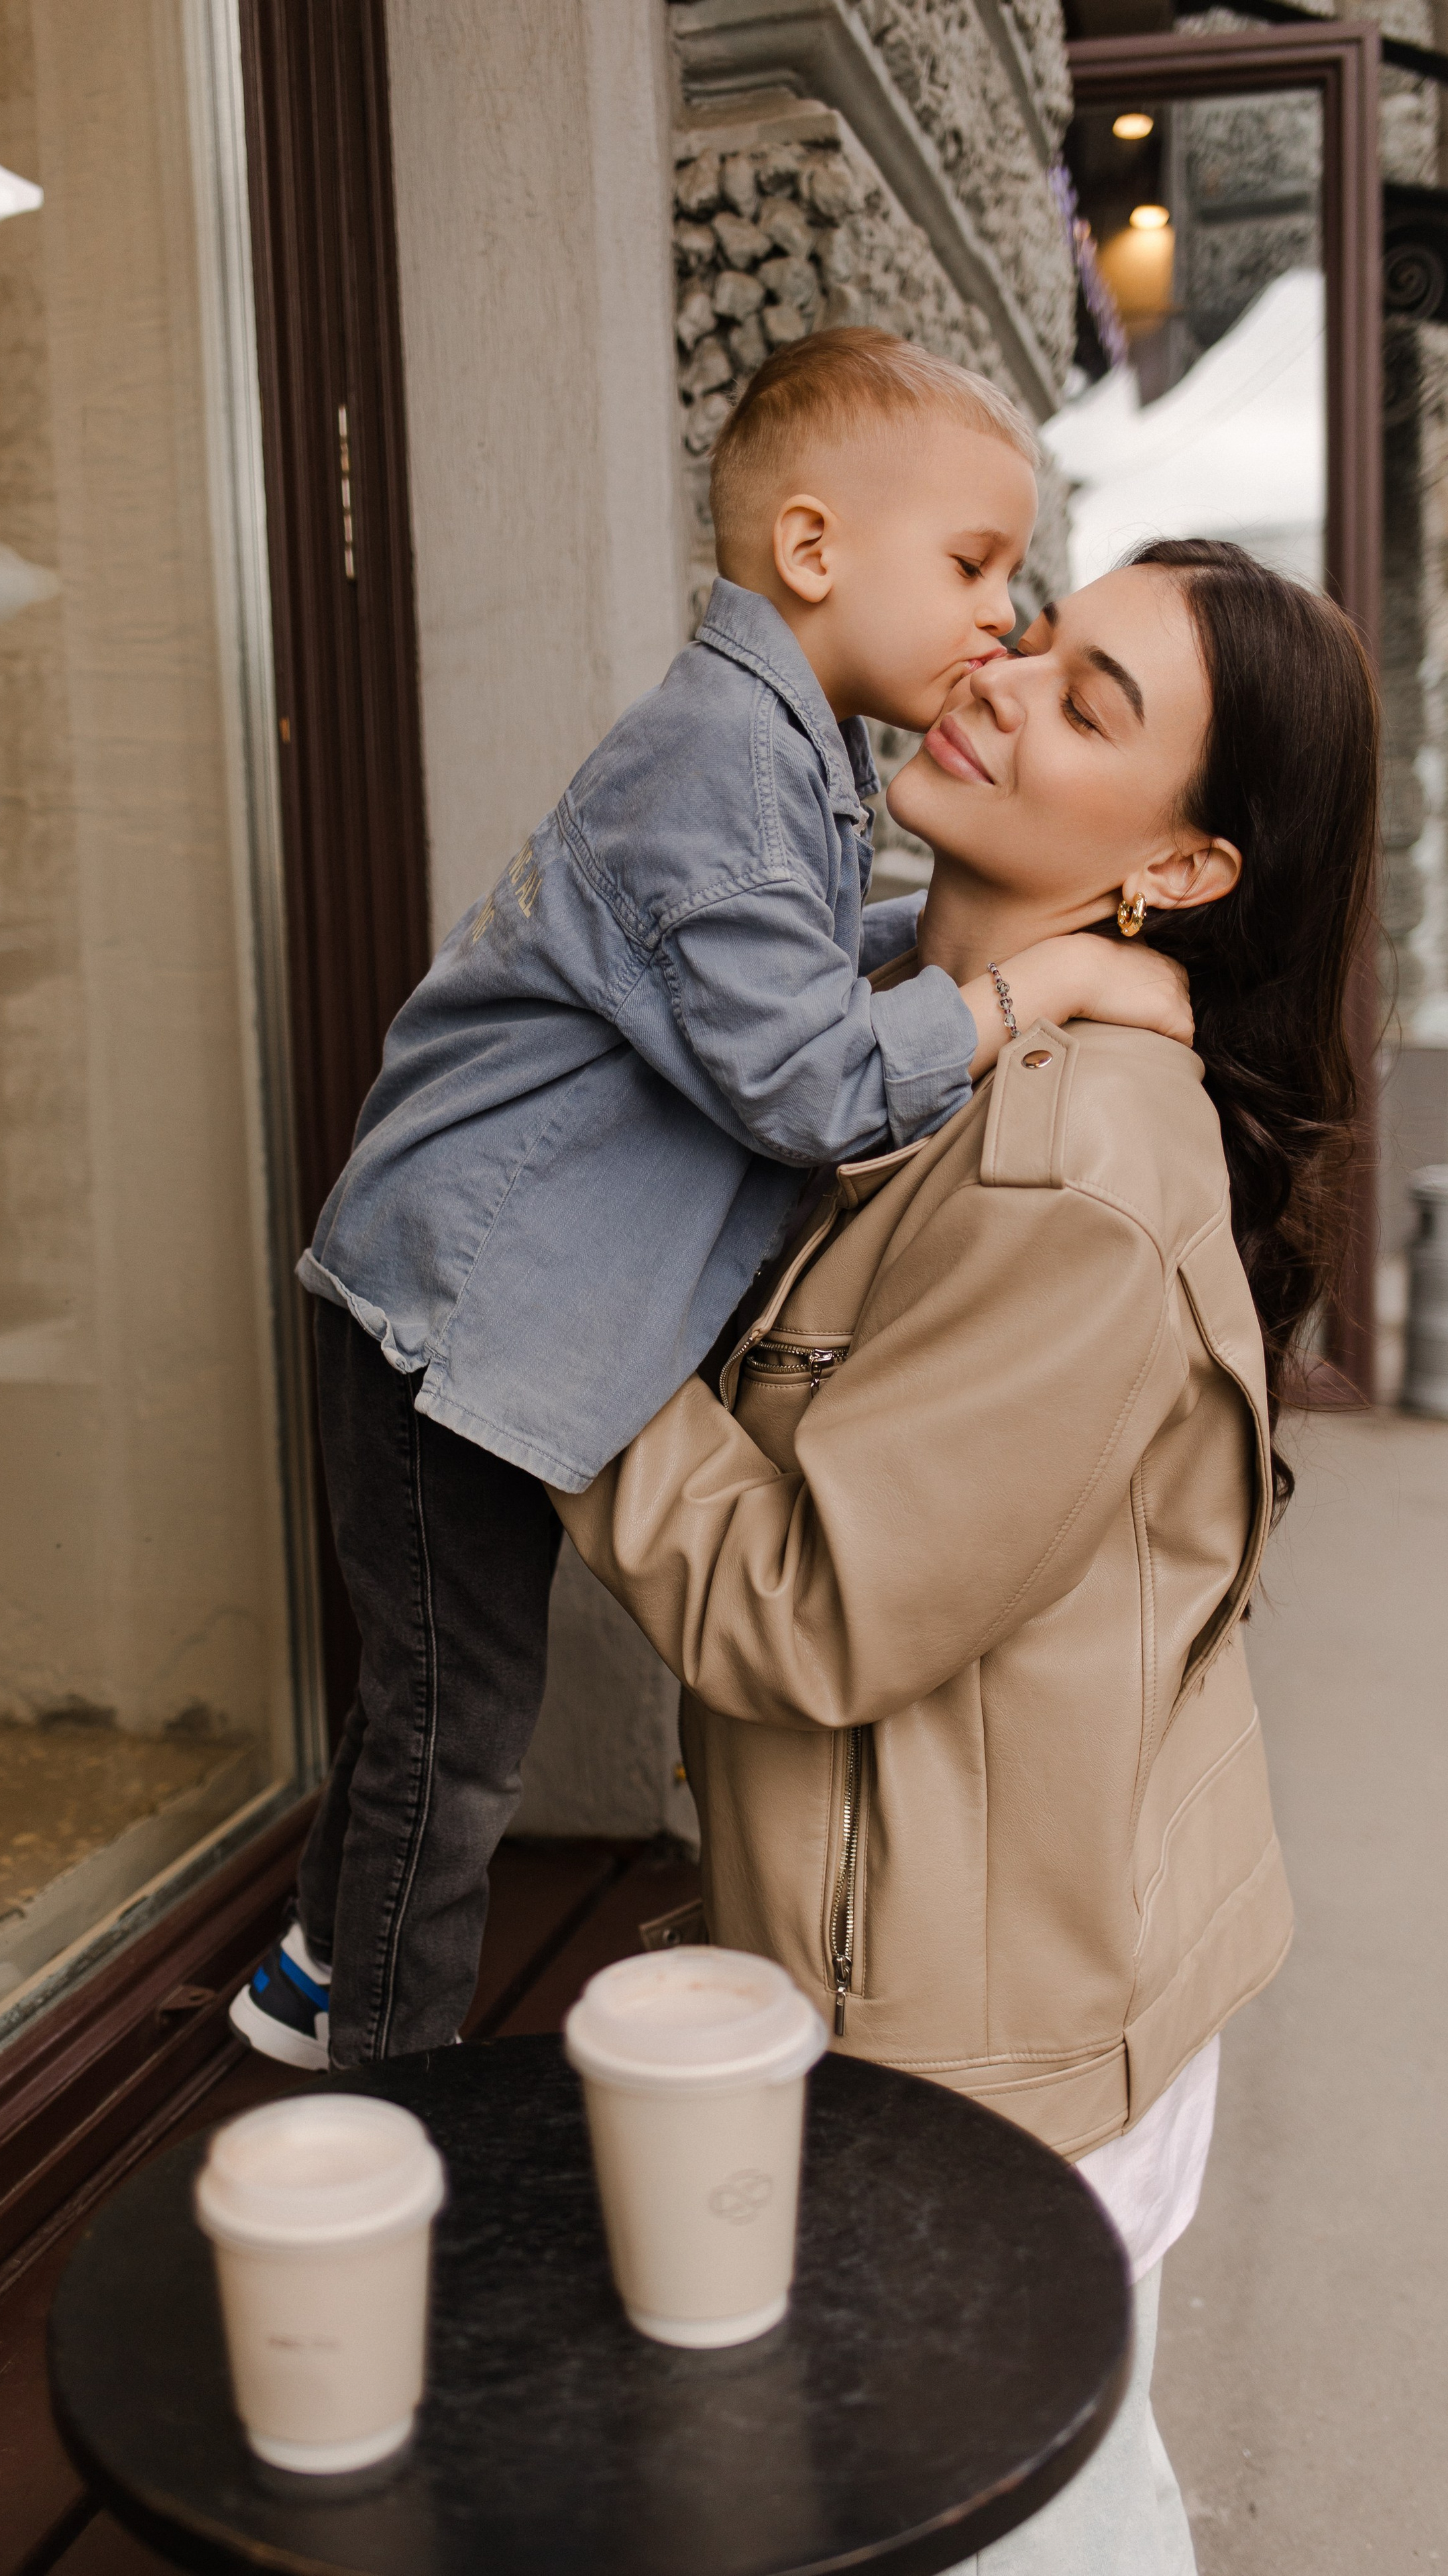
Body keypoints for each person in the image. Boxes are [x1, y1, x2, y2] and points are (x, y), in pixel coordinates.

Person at [555, 537, 1379, 2572]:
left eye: (1094, 703)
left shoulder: (1079, 1167)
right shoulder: (888, 1017)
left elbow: (803, 1609)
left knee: (1010, 2532)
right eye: (1040, 634)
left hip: (979, 2056)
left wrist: (542, 1343)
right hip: (950, 1958)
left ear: (1183, 873)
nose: (1002, 679)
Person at [233, 330, 1194, 2072]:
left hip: (468, 1313)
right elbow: (809, 1081)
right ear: (816, 554)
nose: (1006, 615)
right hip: (441, 1323)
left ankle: (314, 1968)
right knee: (458, 1733)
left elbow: (796, 987)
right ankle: (383, 2094)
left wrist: (985, 958)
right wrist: (1022, 996)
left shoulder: (782, 750)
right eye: (975, 566)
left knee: (434, 1696)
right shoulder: (717, 772)